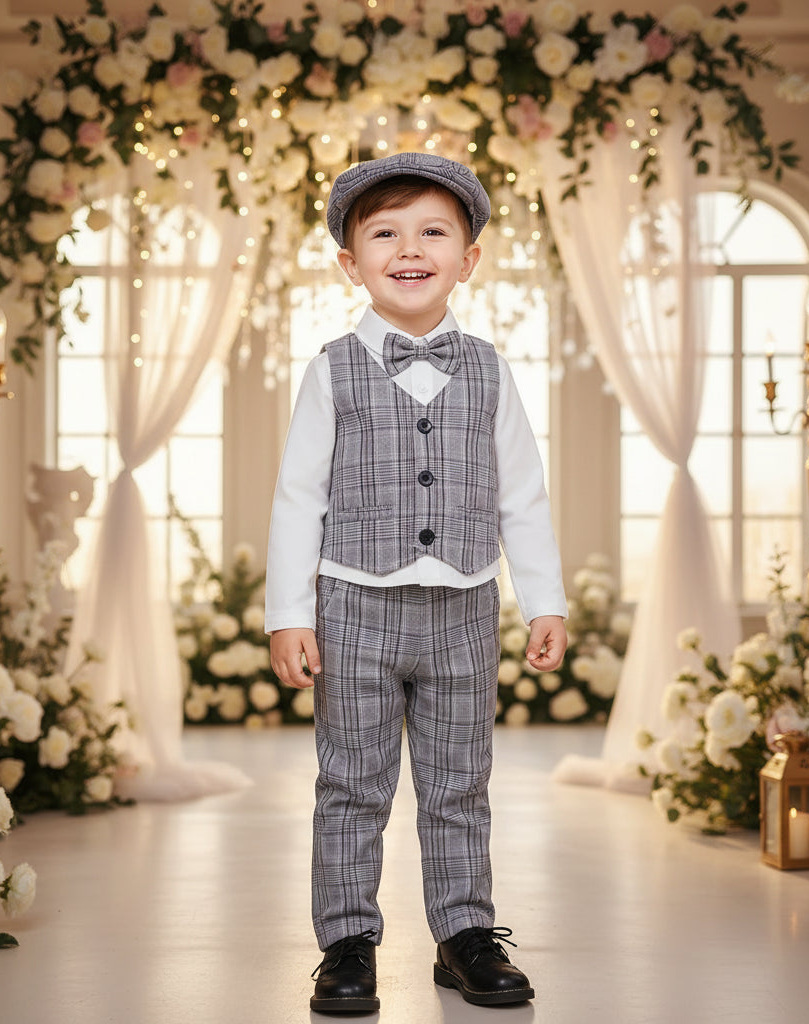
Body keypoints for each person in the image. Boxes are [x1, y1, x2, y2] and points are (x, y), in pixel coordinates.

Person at [265, 151, 567, 1014]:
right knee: (351, 784)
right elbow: (298, 497)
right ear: (349, 262)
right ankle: (347, 943)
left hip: (465, 609)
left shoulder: (491, 370)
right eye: (385, 234)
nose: (409, 249)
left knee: (458, 782)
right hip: (353, 607)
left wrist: (544, 600)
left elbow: (522, 495)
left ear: (468, 260)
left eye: (433, 232)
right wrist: (288, 614)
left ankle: (465, 934)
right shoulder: (332, 369)